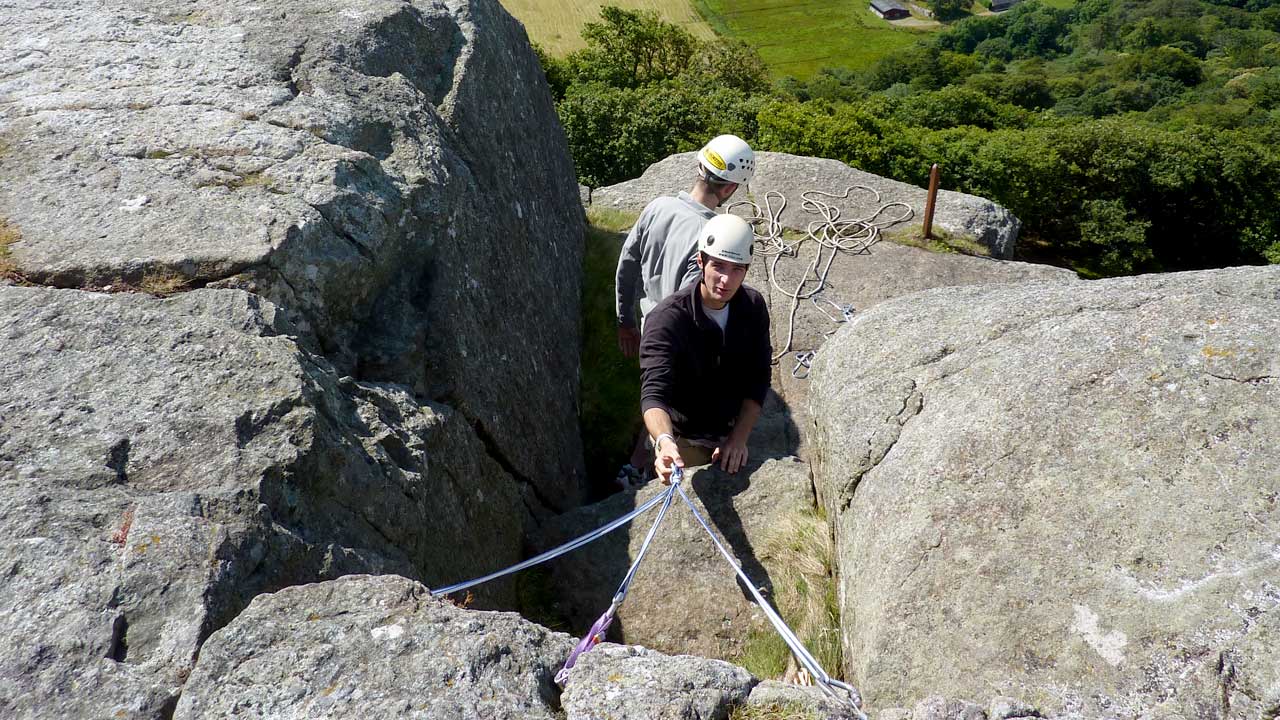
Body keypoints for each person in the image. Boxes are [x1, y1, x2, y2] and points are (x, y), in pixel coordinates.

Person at [638, 213, 771, 482]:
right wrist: (665, 442)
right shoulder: (668, 319)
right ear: (701, 261)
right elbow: (653, 393)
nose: (726, 280)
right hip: (682, 437)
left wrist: (738, 437)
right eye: (718, 267)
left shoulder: (752, 307)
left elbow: (758, 377)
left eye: (737, 269)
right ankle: (640, 463)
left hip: (730, 428)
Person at [614, 134, 756, 357]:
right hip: (678, 344)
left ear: (700, 166)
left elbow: (627, 267)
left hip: (649, 327)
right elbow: (689, 306)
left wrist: (625, 321)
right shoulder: (713, 238)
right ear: (729, 189)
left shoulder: (656, 207)